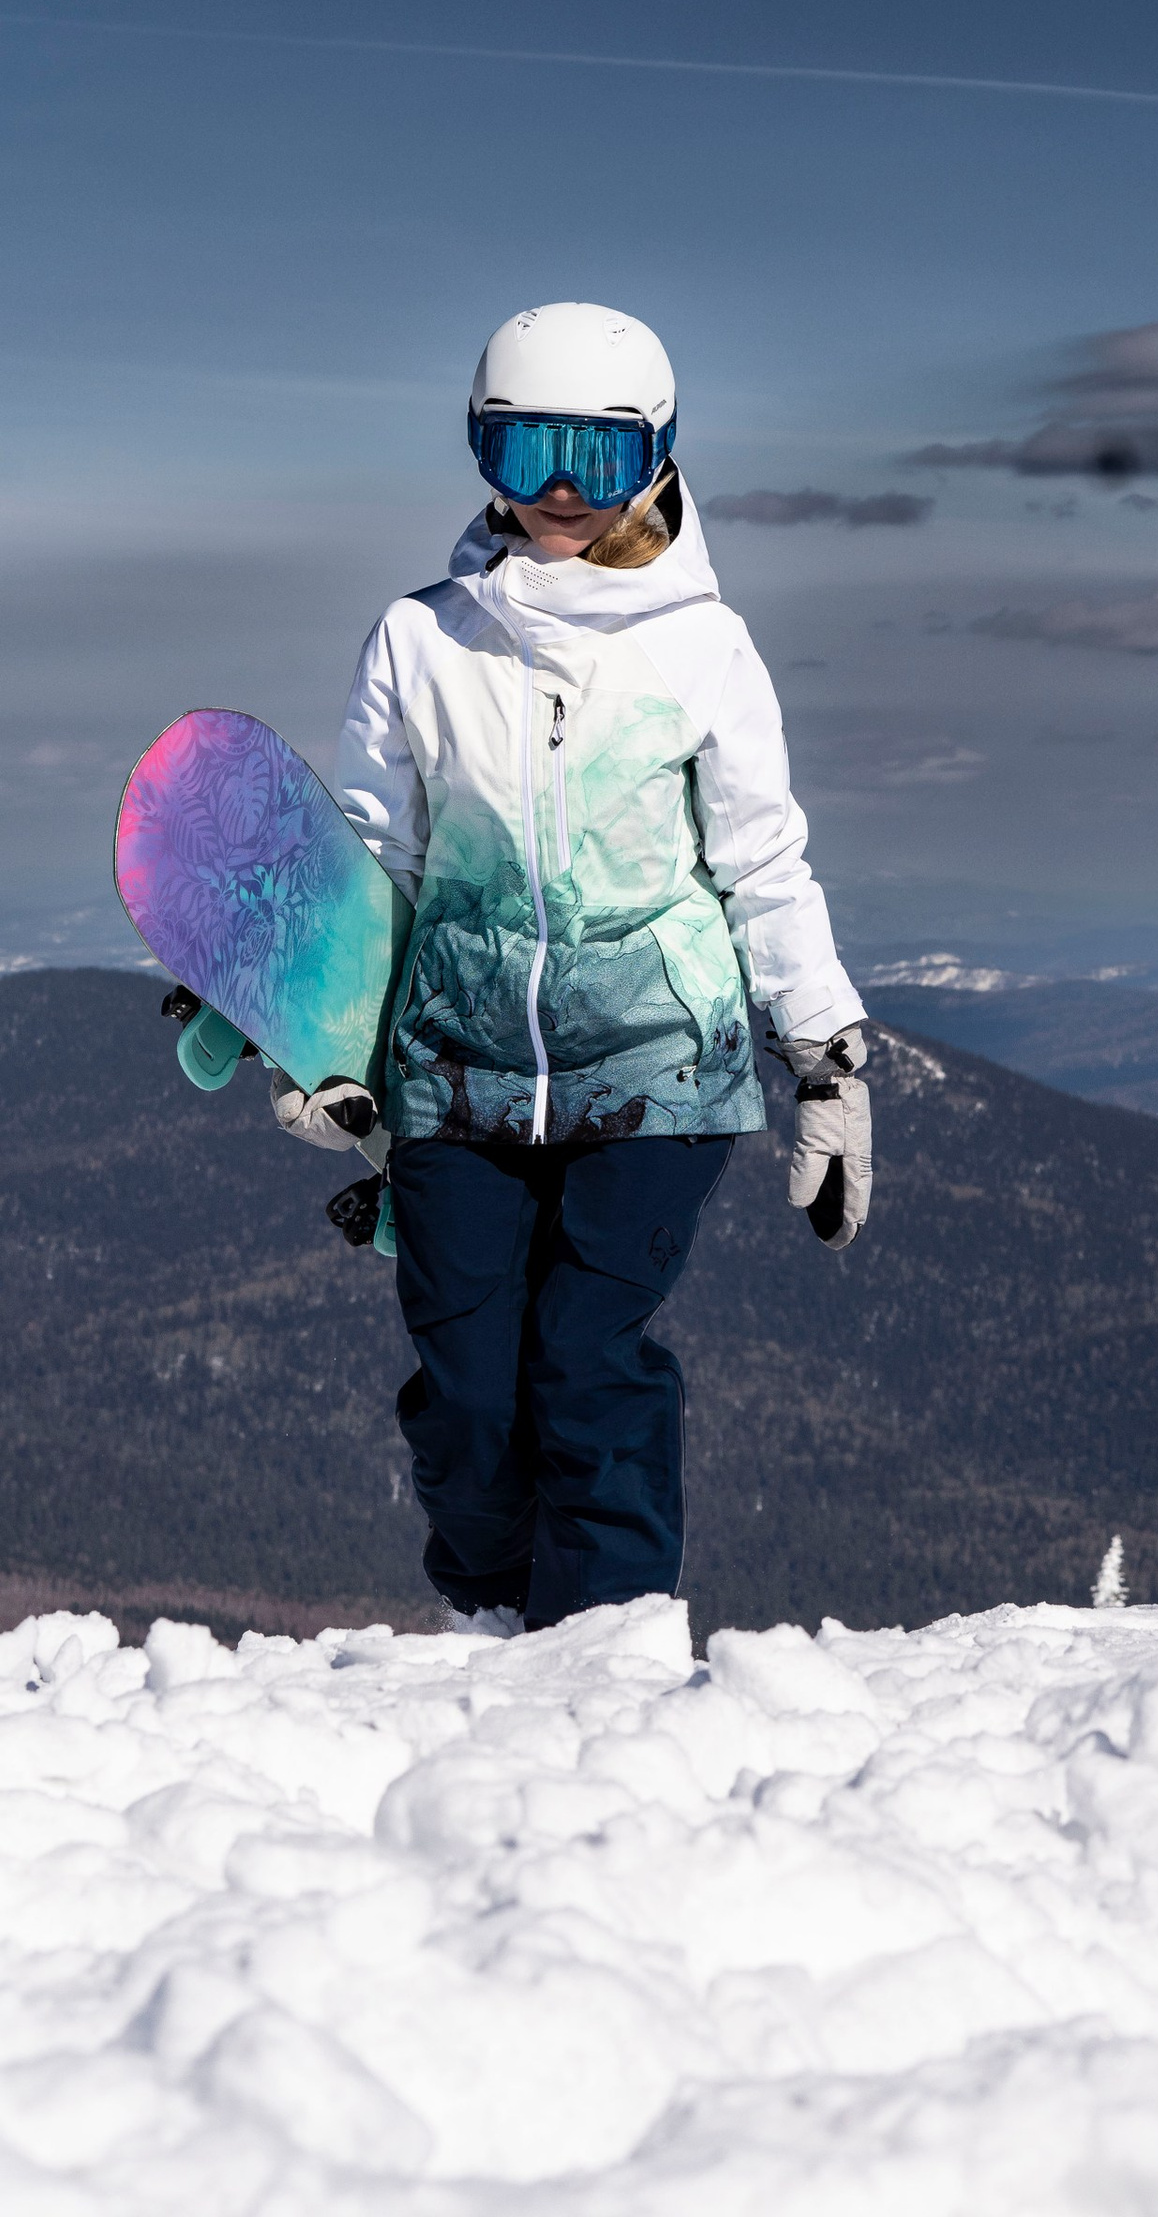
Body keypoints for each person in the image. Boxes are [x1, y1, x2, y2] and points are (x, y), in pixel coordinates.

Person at [268, 300, 871, 1630]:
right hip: (458, 1066)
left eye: (590, 458)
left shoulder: (702, 649)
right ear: (479, 452)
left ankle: (605, 1651)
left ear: (656, 458)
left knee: (590, 1364)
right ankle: (491, 1614)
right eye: (520, 447)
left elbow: (763, 859)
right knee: (470, 1391)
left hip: (658, 1061)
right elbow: (382, 859)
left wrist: (823, 1059)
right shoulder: (420, 641)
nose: (552, 491)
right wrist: (325, 1041)